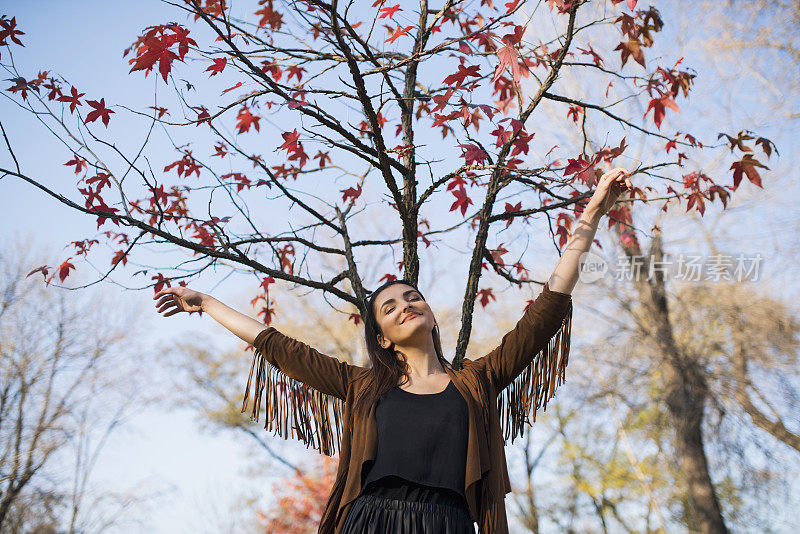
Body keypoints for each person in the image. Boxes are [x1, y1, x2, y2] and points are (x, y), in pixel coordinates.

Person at [154, 168, 633, 533]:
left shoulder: (476, 381)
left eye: (412, 297)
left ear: (430, 314)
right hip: (372, 520)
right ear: (381, 337)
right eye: (389, 307)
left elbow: (547, 309)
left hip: (451, 523)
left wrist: (591, 214)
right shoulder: (363, 386)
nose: (405, 305)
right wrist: (207, 303)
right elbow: (277, 346)